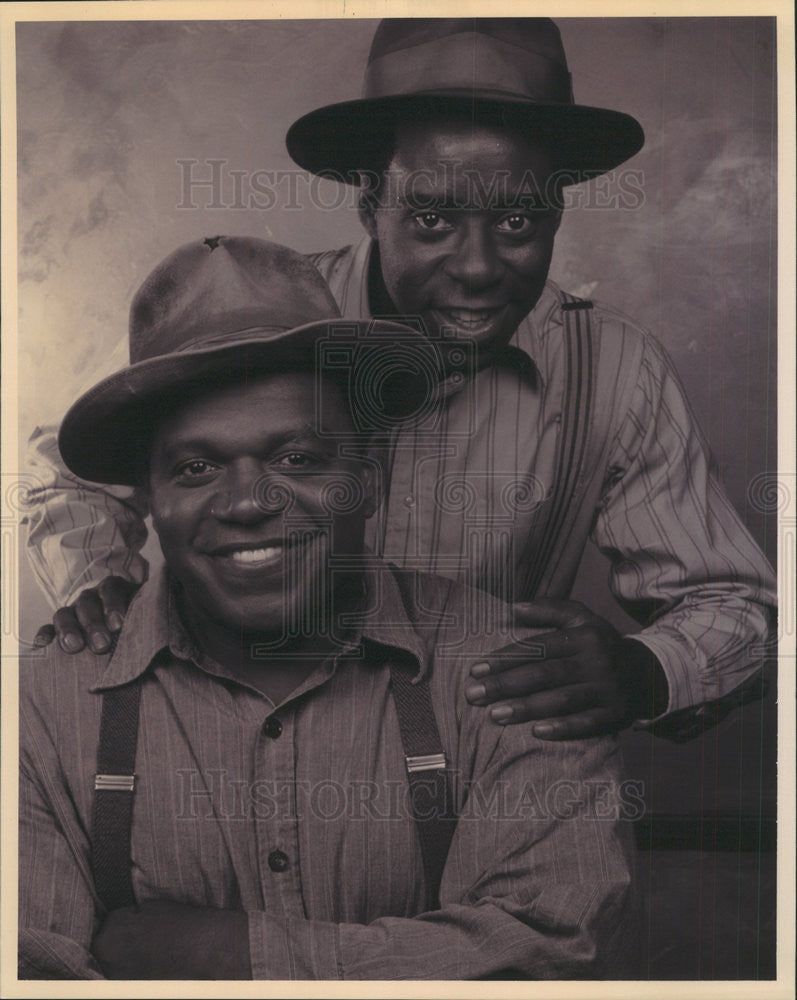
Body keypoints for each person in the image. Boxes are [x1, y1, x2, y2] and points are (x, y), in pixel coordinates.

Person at [24, 18, 775, 742]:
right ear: (368, 204)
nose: (478, 267)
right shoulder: (253, 326)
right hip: (236, 754)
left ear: (555, 213)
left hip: (478, 770)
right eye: (432, 220)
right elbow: (68, 469)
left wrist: (646, 670)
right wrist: (97, 580)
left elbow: (736, 605)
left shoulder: (614, 368)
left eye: (517, 222)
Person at [19, 236, 636, 981]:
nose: (248, 502)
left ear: (368, 479)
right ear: (148, 500)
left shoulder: (518, 674)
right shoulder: (41, 708)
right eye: (196, 467)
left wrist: (226, 953)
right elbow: (29, 971)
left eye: (297, 460)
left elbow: (544, 953)